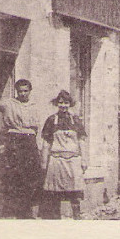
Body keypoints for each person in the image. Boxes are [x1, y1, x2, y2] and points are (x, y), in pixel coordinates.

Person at [39, 90, 88, 220]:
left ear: (70, 104)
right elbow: (46, 143)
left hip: (73, 161)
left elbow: (81, 141)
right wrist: (44, 162)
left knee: (75, 193)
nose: (63, 105)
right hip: (57, 160)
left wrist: (84, 160)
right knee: (55, 193)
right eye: (60, 103)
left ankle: (77, 219)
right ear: (57, 104)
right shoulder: (51, 120)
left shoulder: (76, 120)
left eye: (66, 103)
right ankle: (57, 221)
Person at [0, 78, 42, 219]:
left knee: (30, 175)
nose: (23, 94)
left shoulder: (34, 106)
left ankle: (27, 209)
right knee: (15, 175)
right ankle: (13, 210)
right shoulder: (9, 104)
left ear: (30, 91)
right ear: (16, 91)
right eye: (20, 91)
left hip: (29, 140)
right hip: (15, 140)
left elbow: (36, 127)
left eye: (26, 91)